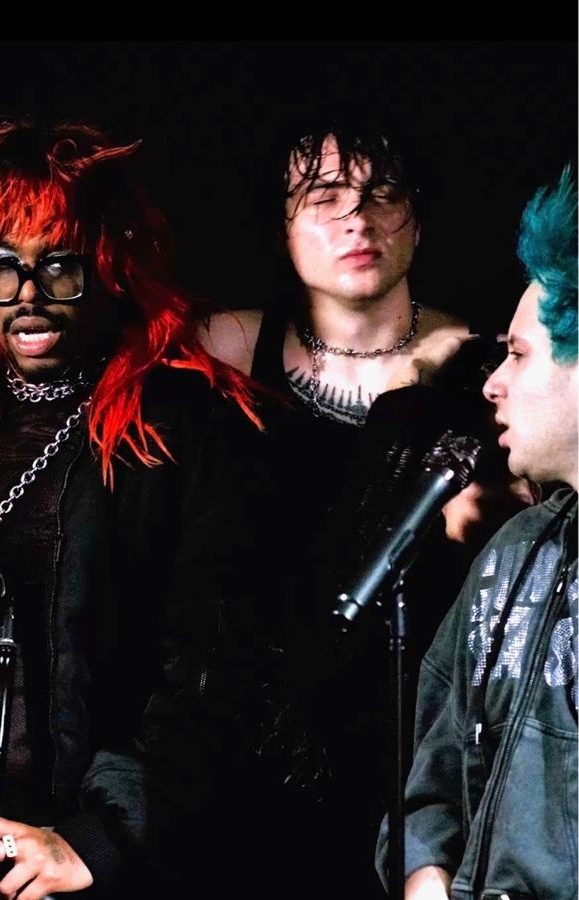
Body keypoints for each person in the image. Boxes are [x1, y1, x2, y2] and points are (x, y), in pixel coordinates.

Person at [0, 118, 271, 900]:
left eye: (59, 266)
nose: (28, 297)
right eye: (1, 269)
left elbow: (213, 661)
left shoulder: (177, 429)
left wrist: (102, 836)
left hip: (62, 869)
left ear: (108, 267)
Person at [197, 114, 536, 898]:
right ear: (279, 226)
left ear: (418, 216)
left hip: (414, 744)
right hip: (255, 750)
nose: (358, 217)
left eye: (383, 193)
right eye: (324, 196)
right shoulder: (221, 349)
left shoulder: (491, 365)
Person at [377, 167, 577, 900]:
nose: (494, 383)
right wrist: (424, 873)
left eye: (519, 354)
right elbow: (427, 783)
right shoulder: (513, 552)